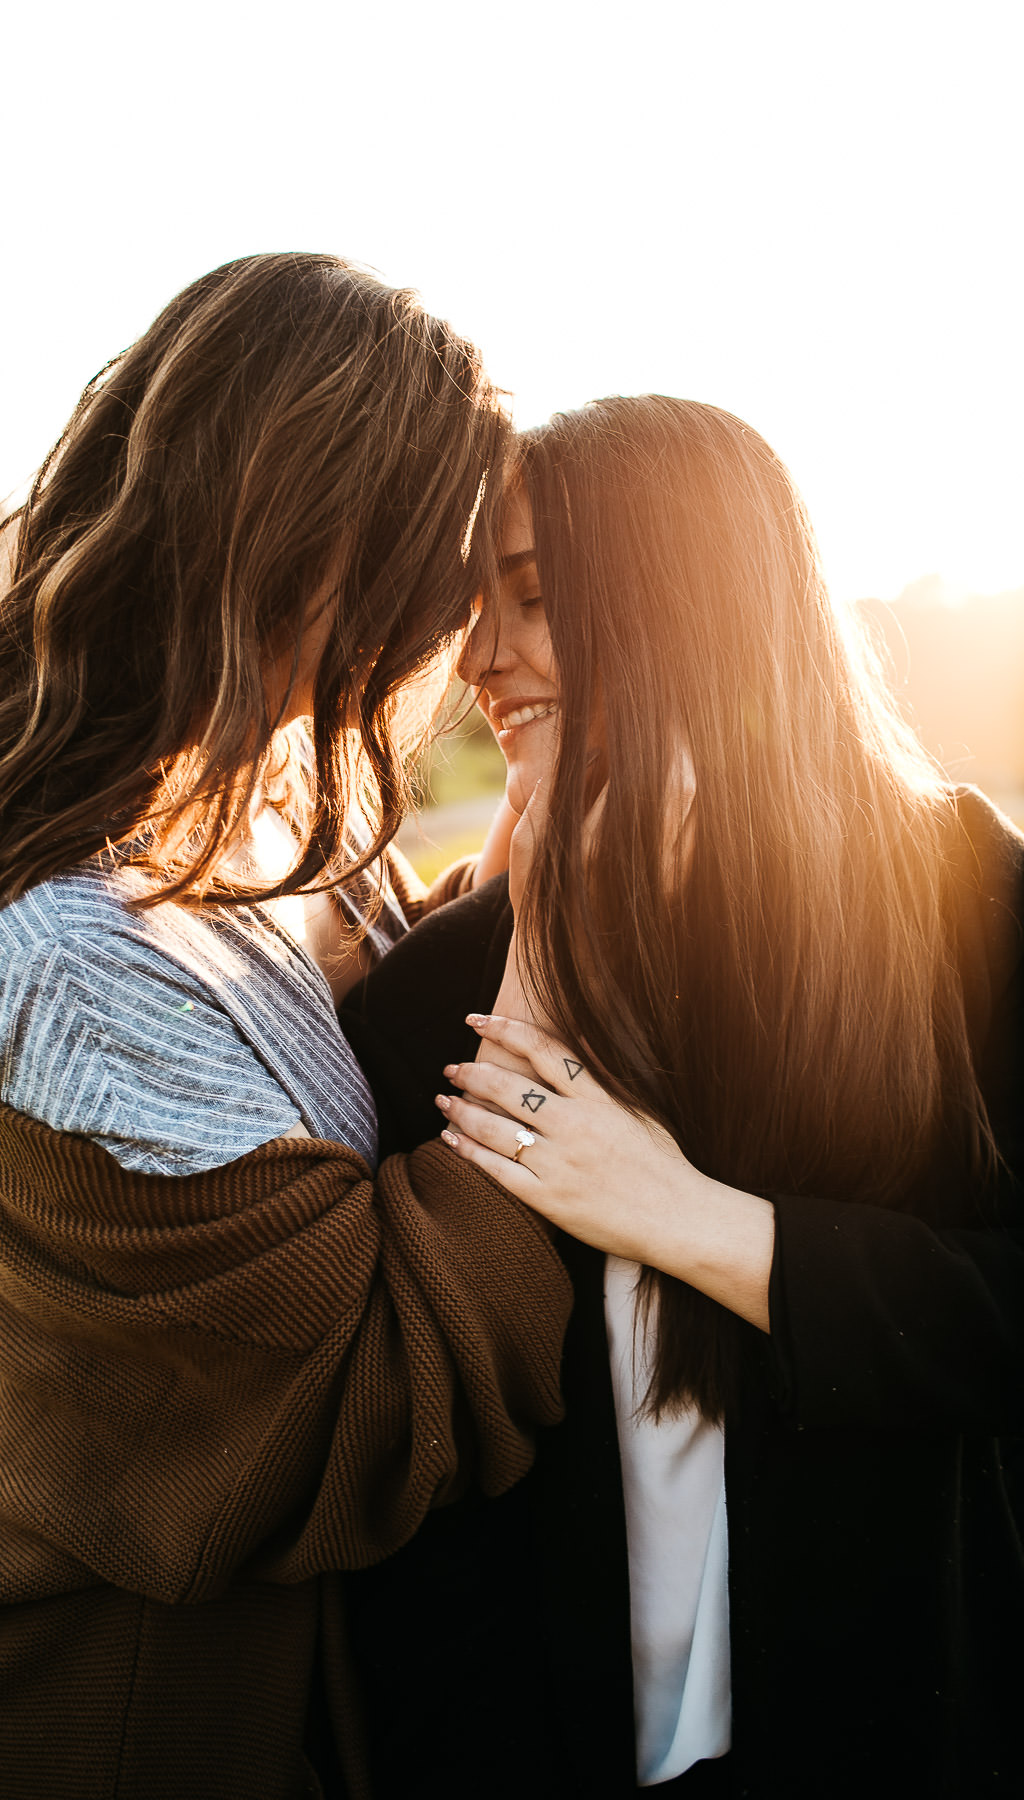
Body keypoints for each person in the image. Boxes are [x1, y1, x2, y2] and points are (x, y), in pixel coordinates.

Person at [0, 253, 574, 1800]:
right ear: (305, 530)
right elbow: (366, 1390)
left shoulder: (263, 796)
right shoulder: (74, 947)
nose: (454, 618)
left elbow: (352, 1031)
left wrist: (509, 876)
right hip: (139, 1712)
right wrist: (558, 965)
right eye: (433, 561)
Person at [339, 395, 1023, 1799]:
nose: (480, 657)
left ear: (688, 612)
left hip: (907, 1725)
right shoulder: (434, 1000)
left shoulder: (967, 899)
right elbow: (420, 1495)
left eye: (532, 600)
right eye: (477, 606)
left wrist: (702, 1224)